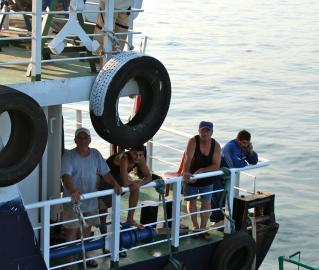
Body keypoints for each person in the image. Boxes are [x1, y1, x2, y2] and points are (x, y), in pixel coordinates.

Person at [61, 127, 122, 269]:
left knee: (87, 231)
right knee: (71, 231)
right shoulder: (69, 156)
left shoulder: (95, 154)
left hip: (90, 202)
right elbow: (66, 176)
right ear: (75, 140)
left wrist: (115, 184)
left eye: (85, 137)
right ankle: (69, 263)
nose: (82, 140)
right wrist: (72, 190)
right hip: (73, 203)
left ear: (90, 140)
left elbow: (105, 173)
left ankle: (85, 257)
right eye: (80, 137)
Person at [98, 145, 152, 232]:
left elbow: (149, 177)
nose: (138, 157)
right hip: (106, 180)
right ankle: (103, 235)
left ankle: (130, 219)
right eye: (135, 154)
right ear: (130, 151)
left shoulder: (140, 158)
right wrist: (136, 181)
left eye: (141, 155)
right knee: (103, 210)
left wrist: (139, 184)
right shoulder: (124, 158)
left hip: (119, 178)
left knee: (135, 188)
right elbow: (125, 182)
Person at [182, 121, 221, 239]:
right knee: (191, 201)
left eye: (208, 130)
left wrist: (203, 170)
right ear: (199, 131)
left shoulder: (216, 145)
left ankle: (203, 228)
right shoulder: (193, 141)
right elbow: (187, 159)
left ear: (212, 132)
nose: (205, 133)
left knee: (206, 202)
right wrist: (187, 173)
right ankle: (195, 226)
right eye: (203, 130)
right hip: (192, 176)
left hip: (207, 178)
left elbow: (216, 165)